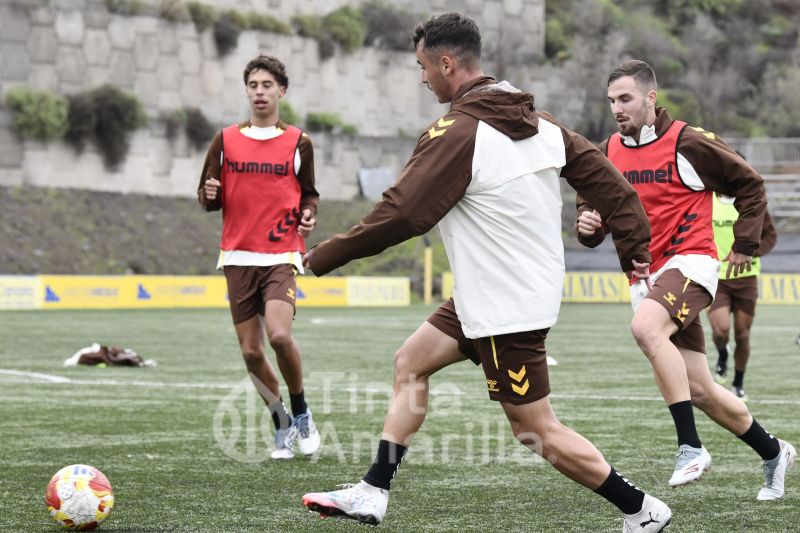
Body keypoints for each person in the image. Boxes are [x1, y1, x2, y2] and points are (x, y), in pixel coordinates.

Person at [302, 14, 672, 532]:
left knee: (535, 429)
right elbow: (615, 190)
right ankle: (372, 491)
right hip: (494, 293)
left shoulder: (457, 132)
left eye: (423, 67)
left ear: (445, 63)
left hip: (506, 307)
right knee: (410, 362)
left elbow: (403, 214)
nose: (422, 77)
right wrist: (634, 250)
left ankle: (642, 509)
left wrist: (322, 257)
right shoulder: (543, 124)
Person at [575, 59, 794, 498]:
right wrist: (588, 224)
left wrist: (745, 243)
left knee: (645, 328)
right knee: (699, 388)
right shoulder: (606, 152)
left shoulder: (688, 141)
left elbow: (751, 184)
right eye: (612, 100)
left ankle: (690, 446)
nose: (617, 108)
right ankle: (774, 452)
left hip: (691, 263)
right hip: (646, 277)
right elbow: (591, 209)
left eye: (625, 98)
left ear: (650, 98)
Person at [197, 55, 321, 460]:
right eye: (253, 85)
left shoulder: (299, 142)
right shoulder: (225, 140)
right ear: (246, 91)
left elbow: (309, 194)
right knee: (251, 352)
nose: (260, 92)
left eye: (267, 85)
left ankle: (301, 412)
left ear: (281, 90)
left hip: (281, 252)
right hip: (237, 256)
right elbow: (206, 196)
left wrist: (308, 215)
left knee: (279, 336)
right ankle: (281, 422)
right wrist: (209, 195)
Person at [708, 194, 777, 401]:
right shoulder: (707, 199)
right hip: (717, 277)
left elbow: (770, 236)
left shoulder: (752, 203)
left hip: (746, 278)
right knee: (720, 331)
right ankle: (723, 353)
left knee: (742, 335)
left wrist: (750, 253)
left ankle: (738, 383)